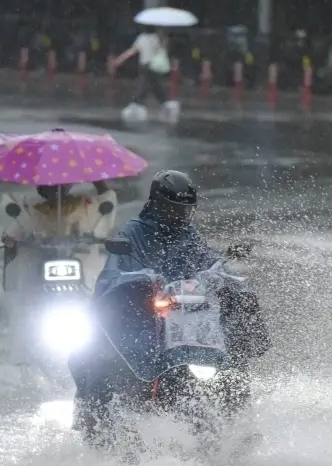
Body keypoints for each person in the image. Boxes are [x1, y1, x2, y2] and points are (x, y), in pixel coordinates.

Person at [68, 170, 270, 439]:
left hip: (186, 318)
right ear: (157, 204)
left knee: (232, 356)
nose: (179, 216)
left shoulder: (189, 236)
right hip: (142, 316)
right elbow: (116, 274)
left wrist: (226, 274)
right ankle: (104, 421)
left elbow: (208, 263)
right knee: (103, 359)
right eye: (173, 209)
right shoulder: (134, 231)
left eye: (185, 211)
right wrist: (144, 280)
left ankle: (238, 423)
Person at [113, 25, 179, 123]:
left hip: (144, 66)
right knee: (154, 86)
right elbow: (162, 51)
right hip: (153, 66)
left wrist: (119, 60)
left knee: (146, 86)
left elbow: (131, 51)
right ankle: (165, 104)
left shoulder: (141, 38)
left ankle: (137, 104)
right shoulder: (157, 38)